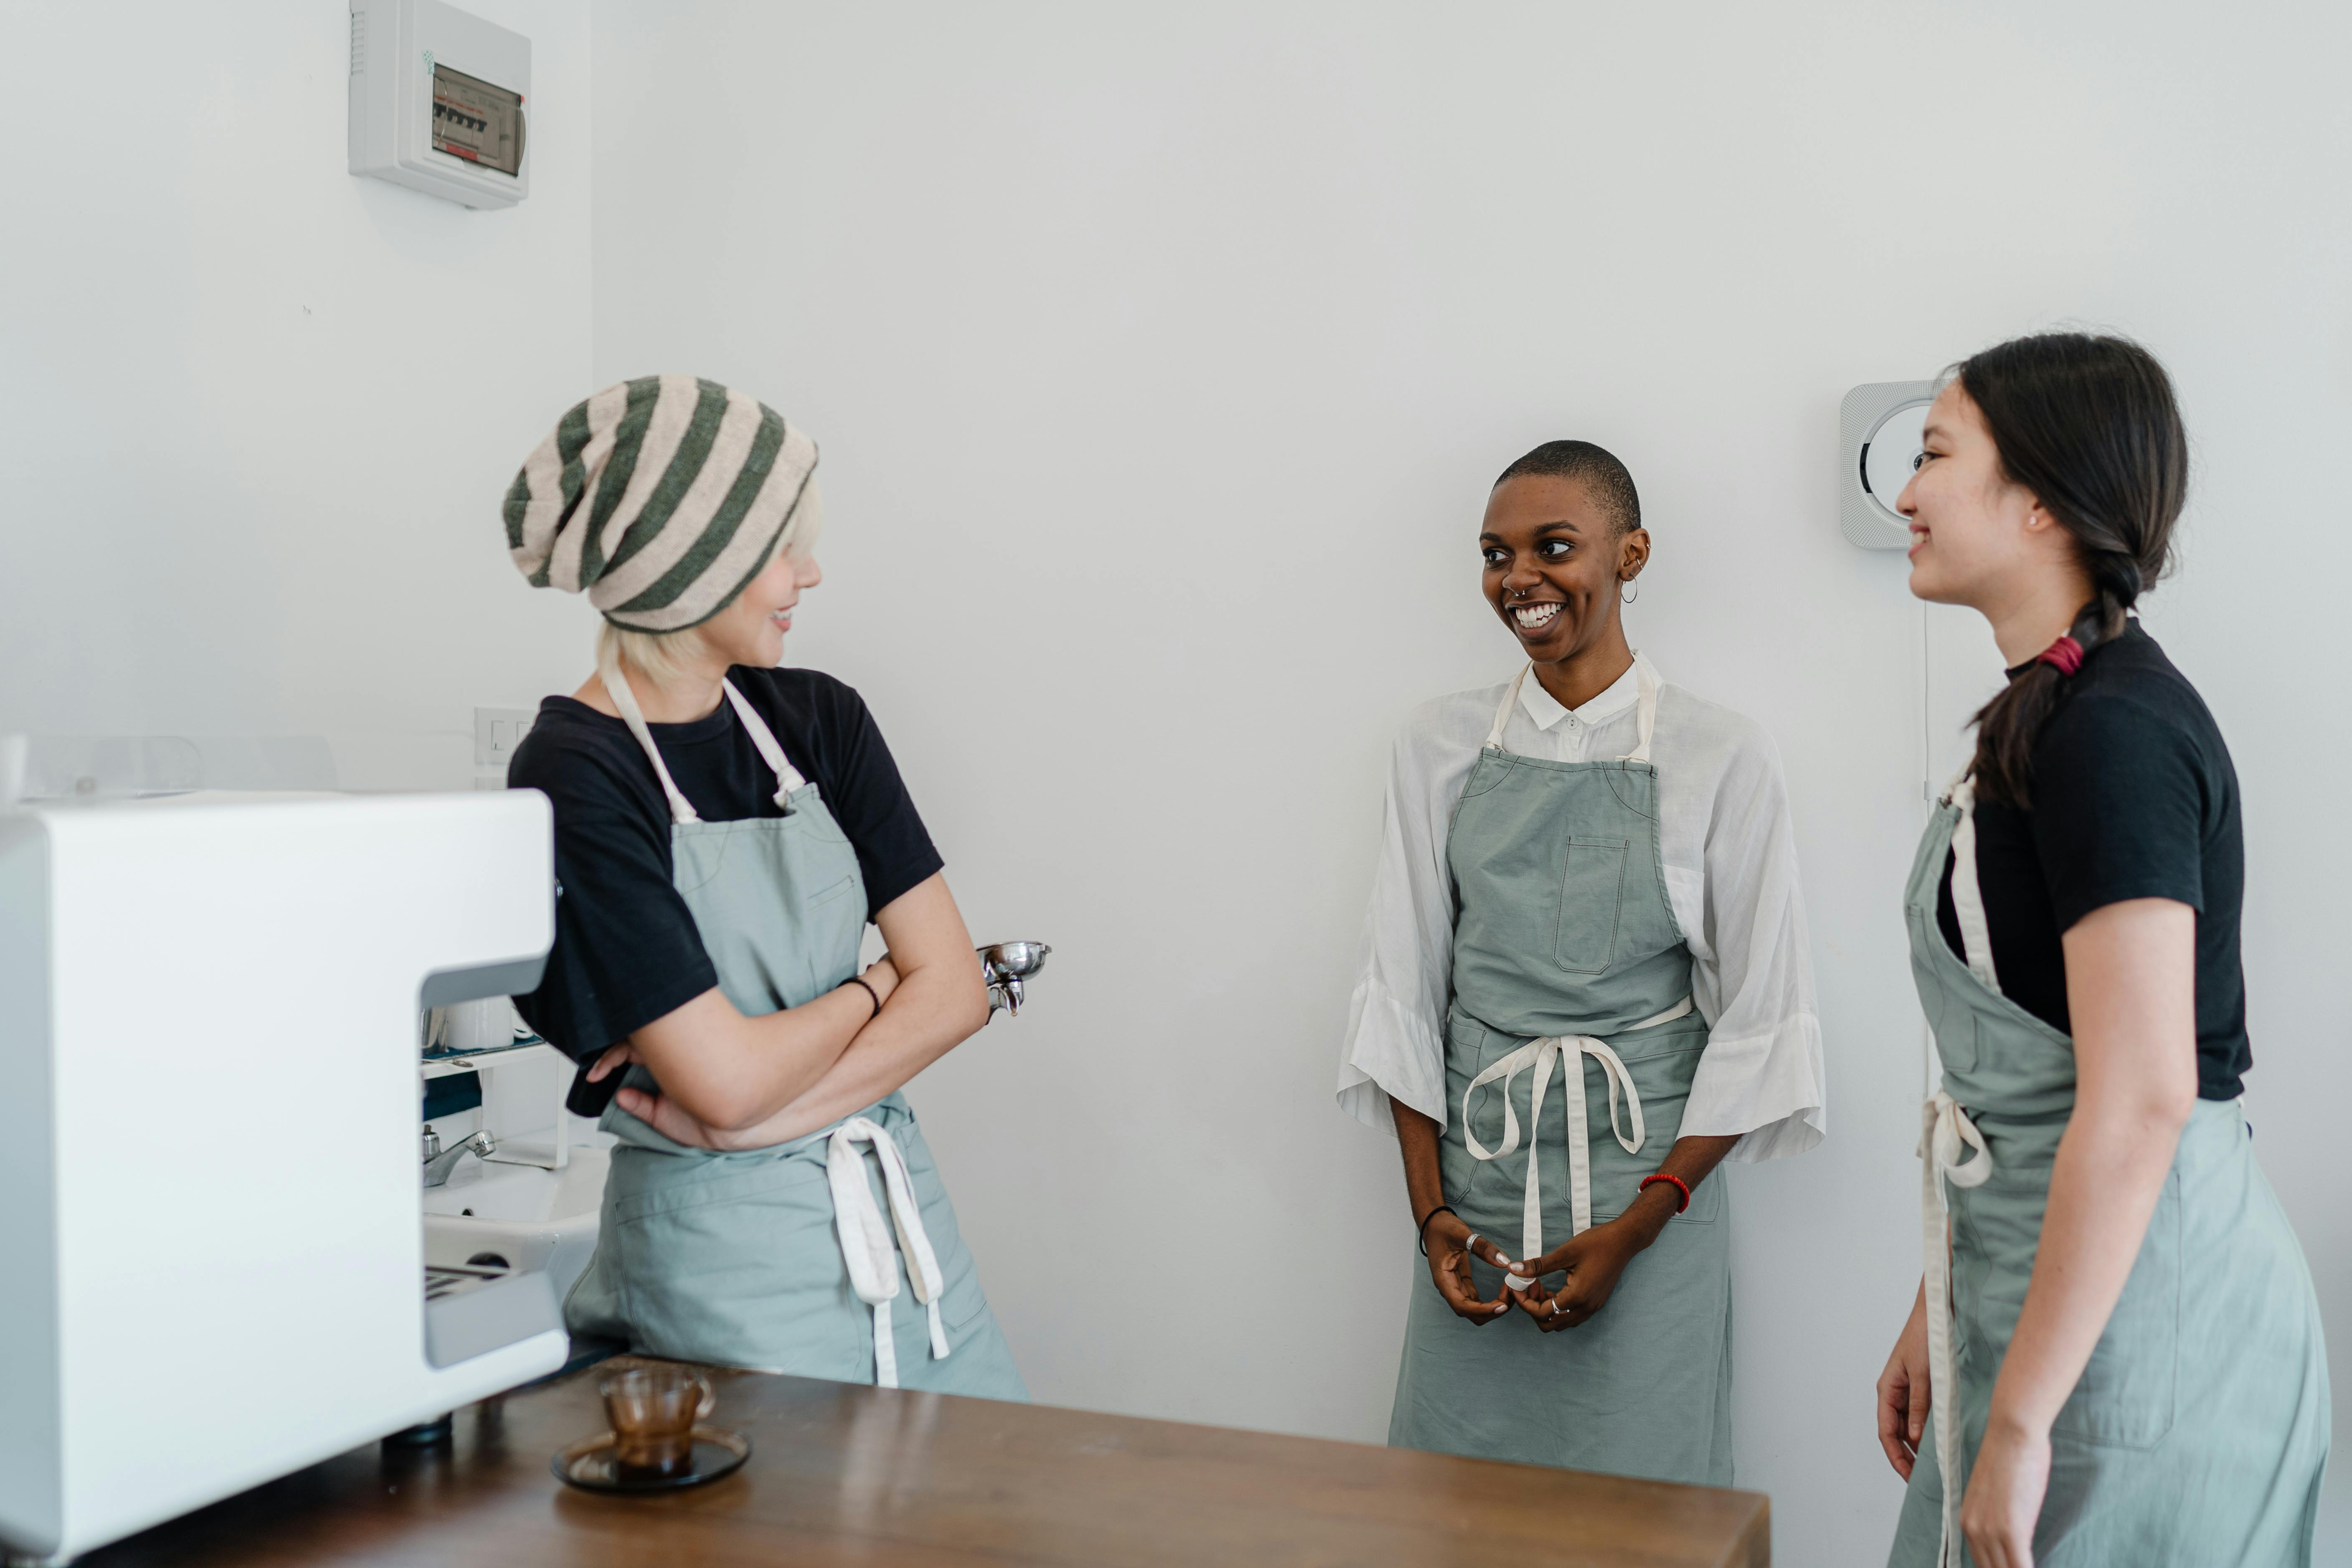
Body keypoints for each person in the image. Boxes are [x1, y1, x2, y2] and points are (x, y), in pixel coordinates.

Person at [1874, 334, 2326, 1567]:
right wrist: (1941, 1295)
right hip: (2046, 1278)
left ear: (2037, 501)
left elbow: (2139, 1097)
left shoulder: (2114, 730)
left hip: (2150, 1322)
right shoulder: (2050, 709)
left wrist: (2020, 1425)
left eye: (1932, 456)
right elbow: (2032, 1072)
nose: (1905, 494)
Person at [499, 374, 1025, 1398]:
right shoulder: (575, 772)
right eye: (783, 551)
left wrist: (756, 1119)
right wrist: (878, 990)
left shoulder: (819, 720)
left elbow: (956, 991)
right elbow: (723, 1080)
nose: (811, 574)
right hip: (719, 1275)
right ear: (691, 572)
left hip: (906, 1239)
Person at [1334, 440, 1825, 1484]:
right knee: (1451, 1514)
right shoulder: (1436, 745)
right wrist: (1431, 1217)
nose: (1519, 579)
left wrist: (1636, 1229)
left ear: (1630, 554)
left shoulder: (1718, 753)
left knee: (1645, 1509)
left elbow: (1760, 1023)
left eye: (1553, 547)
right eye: (1495, 554)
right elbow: (1402, 995)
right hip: (1477, 1189)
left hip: (1647, 1194)